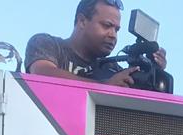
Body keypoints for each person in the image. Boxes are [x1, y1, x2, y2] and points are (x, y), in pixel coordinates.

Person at [26, 0, 168, 87]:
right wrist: (104, 86)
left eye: (117, 29)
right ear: (82, 21)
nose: (113, 35)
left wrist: (154, 71)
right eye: (107, 25)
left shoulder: (112, 68)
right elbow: (42, 73)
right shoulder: (47, 43)